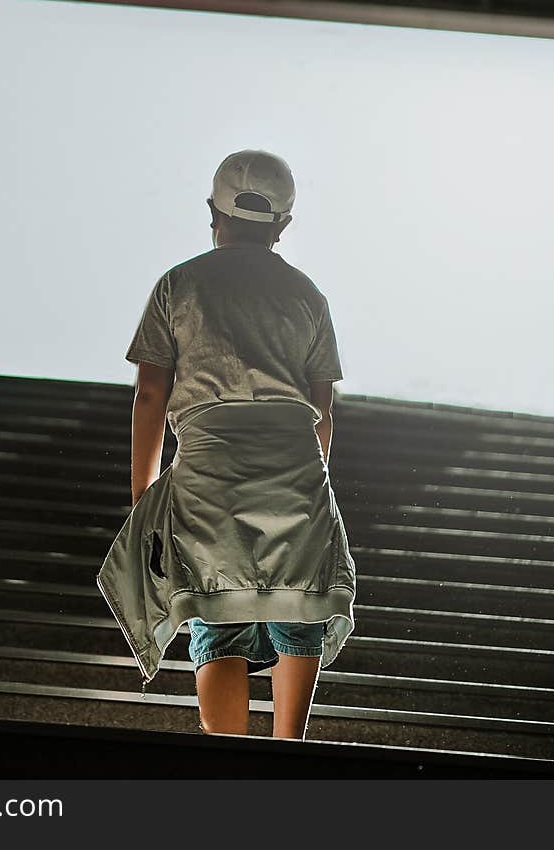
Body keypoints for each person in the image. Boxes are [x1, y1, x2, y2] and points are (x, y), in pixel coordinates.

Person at [97, 149, 355, 742]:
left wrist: (144, 495)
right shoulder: (307, 296)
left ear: (211, 212)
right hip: (295, 465)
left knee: (218, 611)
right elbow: (324, 408)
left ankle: (230, 761)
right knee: (301, 606)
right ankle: (289, 746)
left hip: (210, 466)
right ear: (283, 225)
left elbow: (149, 398)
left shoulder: (179, 285)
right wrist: (309, 480)